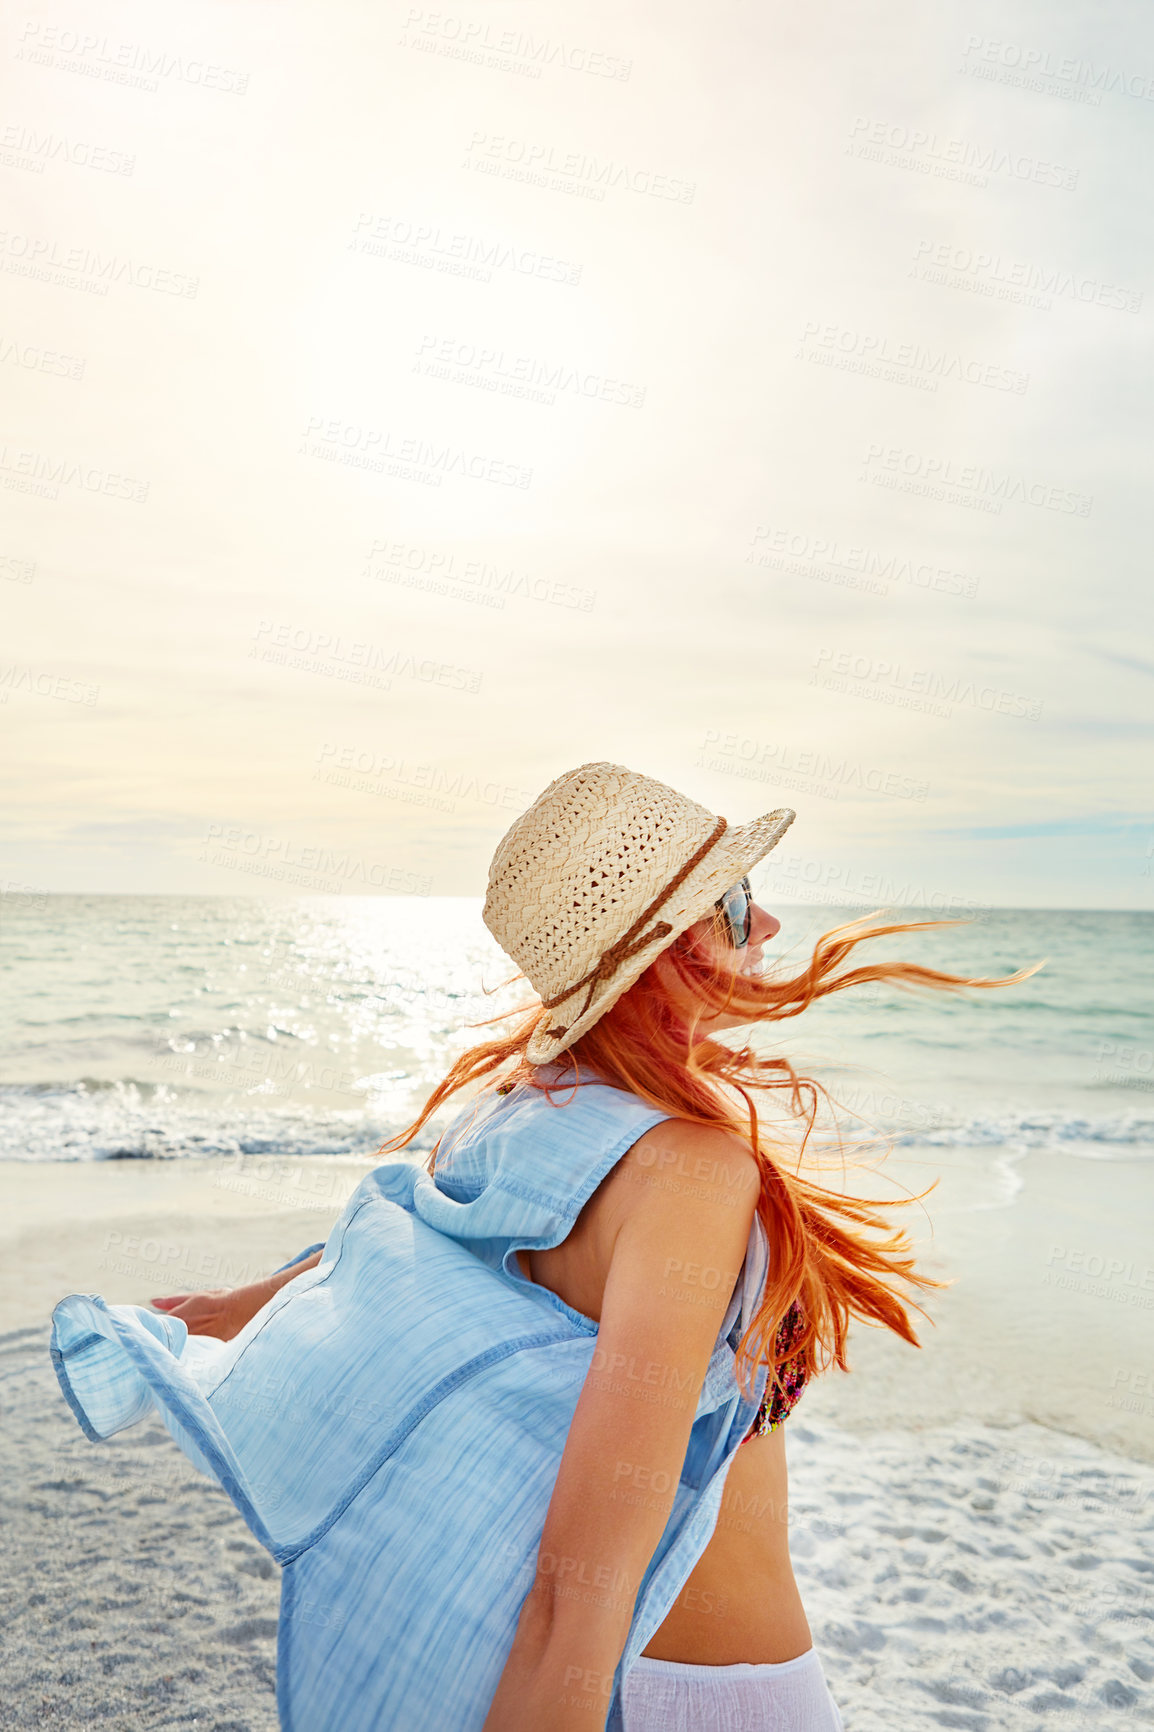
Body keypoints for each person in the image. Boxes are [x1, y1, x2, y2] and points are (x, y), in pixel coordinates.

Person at [54, 761, 1031, 1731]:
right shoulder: (692, 1173)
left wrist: (244, 1304)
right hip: (716, 1700)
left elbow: (401, 1273)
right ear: (662, 950)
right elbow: (572, 1601)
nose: (766, 925)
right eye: (731, 901)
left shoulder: (511, 1121)